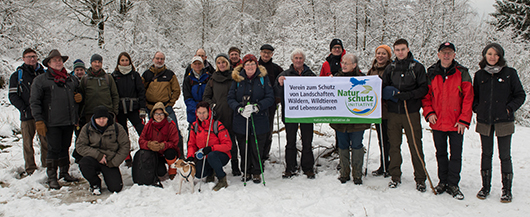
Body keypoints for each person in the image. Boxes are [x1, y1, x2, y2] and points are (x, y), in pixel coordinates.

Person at [473, 43, 525, 203]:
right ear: (485, 56)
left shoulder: (510, 73)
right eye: (489, 54)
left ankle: (506, 190)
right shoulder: (480, 75)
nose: (492, 57)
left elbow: (520, 95)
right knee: (486, 154)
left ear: (500, 56)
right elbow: (474, 96)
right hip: (485, 120)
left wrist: (510, 108)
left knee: (505, 155)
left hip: (504, 120)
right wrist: (478, 108)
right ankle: (485, 187)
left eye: (496, 54)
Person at [422, 42, 473, 200]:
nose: (446, 55)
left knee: (456, 154)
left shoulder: (462, 73)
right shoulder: (431, 73)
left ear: (454, 55)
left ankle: (453, 184)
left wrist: (464, 120)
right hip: (437, 121)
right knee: (441, 153)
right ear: (438, 54)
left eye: (449, 53)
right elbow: (426, 96)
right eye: (443, 52)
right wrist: (429, 112)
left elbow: (468, 98)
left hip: (456, 123)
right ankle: (443, 181)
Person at [381, 38, 428, 191]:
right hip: (394, 112)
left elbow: (424, 89)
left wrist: (408, 95)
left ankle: (420, 178)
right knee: (394, 145)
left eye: (403, 49)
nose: (400, 52)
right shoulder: (391, 68)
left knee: (415, 145)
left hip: (411, 111)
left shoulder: (417, 68)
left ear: (408, 49)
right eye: (397, 50)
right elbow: (383, 87)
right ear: (394, 51)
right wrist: (388, 93)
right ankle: (395, 175)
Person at [30, 49, 81, 189]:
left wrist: (79, 97)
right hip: (51, 122)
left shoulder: (70, 79)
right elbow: (35, 101)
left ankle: (64, 172)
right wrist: (39, 120)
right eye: (55, 60)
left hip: (69, 120)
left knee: (65, 147)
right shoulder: (41, 80)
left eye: (60, 60)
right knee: (53, 149)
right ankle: (52, 176)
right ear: (49, 63)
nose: (58, 62)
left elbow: (79, 92)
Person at [227, 54, 274, 183]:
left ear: (256, 65)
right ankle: (246, 170)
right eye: (247, 64)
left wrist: (258, 106)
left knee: (257, 146)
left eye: (252, 64)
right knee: (244, 146)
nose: (250, 67)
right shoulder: (237, 79)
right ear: (243, 66)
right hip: (241, 119)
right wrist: (239, 108)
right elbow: (230, 98)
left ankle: (257, 171)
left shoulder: (263, 78)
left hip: (259, 118)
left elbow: (270, 97)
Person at [275, 49, 316, 179]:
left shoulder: (310, 75)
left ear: (304, 60)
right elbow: (276, 93)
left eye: (300, 58)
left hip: (307, 113)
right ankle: (290, 167)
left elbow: (319, 90)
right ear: (292, 60)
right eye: (296, 58)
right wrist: (279, 84)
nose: (298, 60)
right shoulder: (285, 74)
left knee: (307, 140)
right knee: (290, 141)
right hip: (290, 112)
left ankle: (308, 167)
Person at [329, 53, 370, 184]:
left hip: (358, 122)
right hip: (340, 121)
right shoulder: (336, 78)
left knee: (357, 146)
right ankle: (344, 173)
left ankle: (357, 174)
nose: (344, 65)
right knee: (342, 146)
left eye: (347, 63)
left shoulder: (363, 79)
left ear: (354, 65)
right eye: (342, 63)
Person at [9, 48, 48, 176]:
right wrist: (23, 108)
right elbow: (13, 96)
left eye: (34, 56)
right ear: (23, 59)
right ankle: (30, 168)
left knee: (45, 140)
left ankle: (47, 164)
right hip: (27, 114)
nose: (32, 59)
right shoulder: (17, 76)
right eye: (29, 57)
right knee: (27, 142)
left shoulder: (43, 73)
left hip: (43, 114)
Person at [76, 106, 130, 195]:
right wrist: (98, 155)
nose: (101, 120)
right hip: (94, 159)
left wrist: (114, 162)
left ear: (107, 118)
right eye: (99, 118)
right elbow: (80, 146)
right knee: (84, 163)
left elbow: (125, 146)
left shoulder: (117, 128)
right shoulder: (87, 128)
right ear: (94, 118)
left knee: (116, 188)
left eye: (104, 118)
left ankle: (109, 174)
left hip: (110, 161)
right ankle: (95, 183)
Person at [203, 53, 241, 176]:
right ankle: (216, 165)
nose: (221, 65)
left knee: (234, 141)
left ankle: (235, 165)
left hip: (234, 114)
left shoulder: (234, 77)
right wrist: (212, 105)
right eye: (219, 63)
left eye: (223, 62)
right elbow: (206, 96)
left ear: (228, 63)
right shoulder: (213, 79)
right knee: (218, 141)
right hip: (219, 115)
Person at [142, 51, 183, 158]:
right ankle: (155, 156)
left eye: (162, 59)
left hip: (166, 108)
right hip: (151, 109)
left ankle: (180, 156)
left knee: (175, 131)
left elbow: (176, 90)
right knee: (152, 133)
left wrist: (170, 103)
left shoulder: (169, 74)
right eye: (157, 58)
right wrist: (145, 104)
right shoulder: (147, 74)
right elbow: (141, 90)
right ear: (153, 59)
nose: (159, 61)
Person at [186, 101, 232, 191]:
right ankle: (211, 172)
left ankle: (222, 179)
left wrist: (212, 148)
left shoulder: (216, 125)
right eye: (199, 113)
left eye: (204, 113)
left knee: (212, 156)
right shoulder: (194, 126)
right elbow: (191, 144)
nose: (201, 115)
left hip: (220, 155)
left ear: (209, 113)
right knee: (198, 173)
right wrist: (190, 156)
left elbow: (228, 145)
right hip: (203, 156)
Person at [138, 102, 180, 180]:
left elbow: (174, 142)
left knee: (170, 152)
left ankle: (172, 169)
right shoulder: (148, 125)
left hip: (166, 152)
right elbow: (141, 141)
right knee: (161, 172)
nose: (159, 116)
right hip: (155, 153)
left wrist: (163, 145)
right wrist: (149, 144)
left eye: (161, 114)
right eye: (156, 114)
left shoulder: (171, 125)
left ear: (165, 114)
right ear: (153, 115)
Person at [367, 45, 392, 177]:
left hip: (389, 110)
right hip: (377, 110)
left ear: (388, 56)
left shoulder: (392, 69)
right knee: (381, 139)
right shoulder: (372, 70)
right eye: (378, 53)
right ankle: (383, 165)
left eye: (383, 53)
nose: (380, 56)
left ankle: (391, 166)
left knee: (390, 140)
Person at [258, 44, 284, 162]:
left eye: (268, 53)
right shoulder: (254, 66)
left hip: (270, 104)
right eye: (264, 52)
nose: (266, 55)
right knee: (256, 130)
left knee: (268, 129)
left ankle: (265, 153)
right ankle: (256, 153)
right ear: (260, 53)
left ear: (272, 54)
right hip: (255, 104)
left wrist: (278, 97)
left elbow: (282, 83)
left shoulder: (276, 68)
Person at [111, 52, 146, 136]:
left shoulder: (134, 75)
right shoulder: (114, 75)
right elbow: (111, 93)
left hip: (133, 107)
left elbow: (141, 91)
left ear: (130, 61)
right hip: (120, 108)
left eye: (126, 60)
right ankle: (126, 149)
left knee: (141, 129)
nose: (124, 62)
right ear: (119, 62)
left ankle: (146, 147)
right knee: (122, 132)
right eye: (122, 60)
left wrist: (142, 108)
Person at [79, 54, 119, 120]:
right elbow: (81, 95)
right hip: (90, 113)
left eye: (99, 62)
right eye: (95, 62)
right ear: (91, 63)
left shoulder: (108, 78)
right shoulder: (85, 79)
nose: (97, 64)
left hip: (107, 112)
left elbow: (115, 95)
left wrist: (114, 111)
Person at [183, 56, 210, 125]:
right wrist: (197, 110)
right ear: (191, 65)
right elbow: (187, 97)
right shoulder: (188, 79)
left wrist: (206, 109)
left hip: (207, 111)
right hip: (193, 113)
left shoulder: (208, 77)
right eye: (195, 64)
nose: (197, 65)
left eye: (199, 63)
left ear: (203, 65)